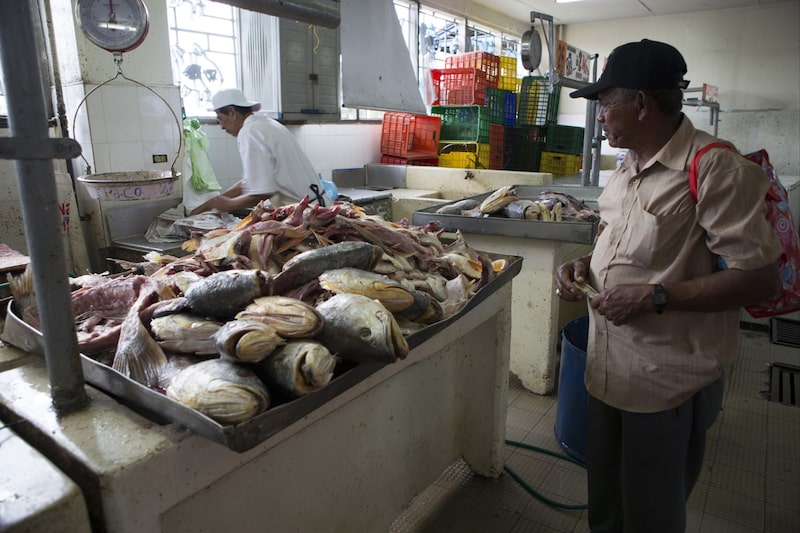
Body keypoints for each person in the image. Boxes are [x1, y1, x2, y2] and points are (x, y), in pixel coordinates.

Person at [554, 39, 782, 533]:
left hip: (666, 382)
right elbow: (619, 245)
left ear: (641, 104)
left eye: (606, 103)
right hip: (606, 369)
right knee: (607, 506)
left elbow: (761, 277)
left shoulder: (714, 168)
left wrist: (656, 296)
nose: (600, 117)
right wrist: (580, 267)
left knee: (651, 514)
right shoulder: (627, 167)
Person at [190, 88, 324, 215]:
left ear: (232, 113)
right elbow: (248, 182)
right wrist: (211, 203)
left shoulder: (249, 132)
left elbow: (262, 192)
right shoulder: (264, 124)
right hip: (314, 207)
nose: (222, 126)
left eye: (220, 118)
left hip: (307, 214)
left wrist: (227, 204)